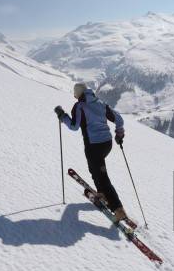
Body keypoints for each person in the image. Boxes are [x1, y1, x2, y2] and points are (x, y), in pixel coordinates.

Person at [54, 83, 128, 221]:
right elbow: (119, 119)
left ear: (78, 94)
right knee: (95, 170)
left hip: (93, 146)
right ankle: (102, 195)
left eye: (75, 94)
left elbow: (74, 126)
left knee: (102, 175)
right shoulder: (100, 103)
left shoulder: (79, 106)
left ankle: (118, 209)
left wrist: (62, 116)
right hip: (107, 143)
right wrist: (119, 134)